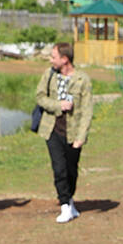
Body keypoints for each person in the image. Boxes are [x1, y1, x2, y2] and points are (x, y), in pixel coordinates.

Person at [35, 42, 93, 224]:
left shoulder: (83, 80)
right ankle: (65, 206)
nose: (51, 60)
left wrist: (81, 137)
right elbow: (39, 97)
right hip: (52, 129)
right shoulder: (49, 74)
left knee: (71, 170)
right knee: (59, 168)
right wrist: (57, 105)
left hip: (73, 132)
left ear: (65, 59)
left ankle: (69, 200)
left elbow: (87, 110)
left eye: (54, 57)